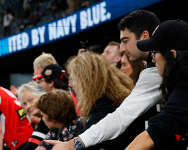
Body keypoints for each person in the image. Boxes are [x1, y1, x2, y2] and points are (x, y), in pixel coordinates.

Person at [46, 9, 162, 150]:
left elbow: (122, 117)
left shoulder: (166, 62)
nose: (122, 48)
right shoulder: (152, 68)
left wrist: (73, 144)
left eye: (125, 41)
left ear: (144, 36)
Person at [126, 19, 188, 150]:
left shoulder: (184, 90)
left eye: (155, 52)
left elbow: (151, 136)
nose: (153, 59)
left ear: (173, 55)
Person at [17, 81, 50, 149]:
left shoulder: (51, 116)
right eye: (24, 104)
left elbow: (32, 146)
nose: (28, 106)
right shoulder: (37, 121)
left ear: (42, 95)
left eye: (30, 100)